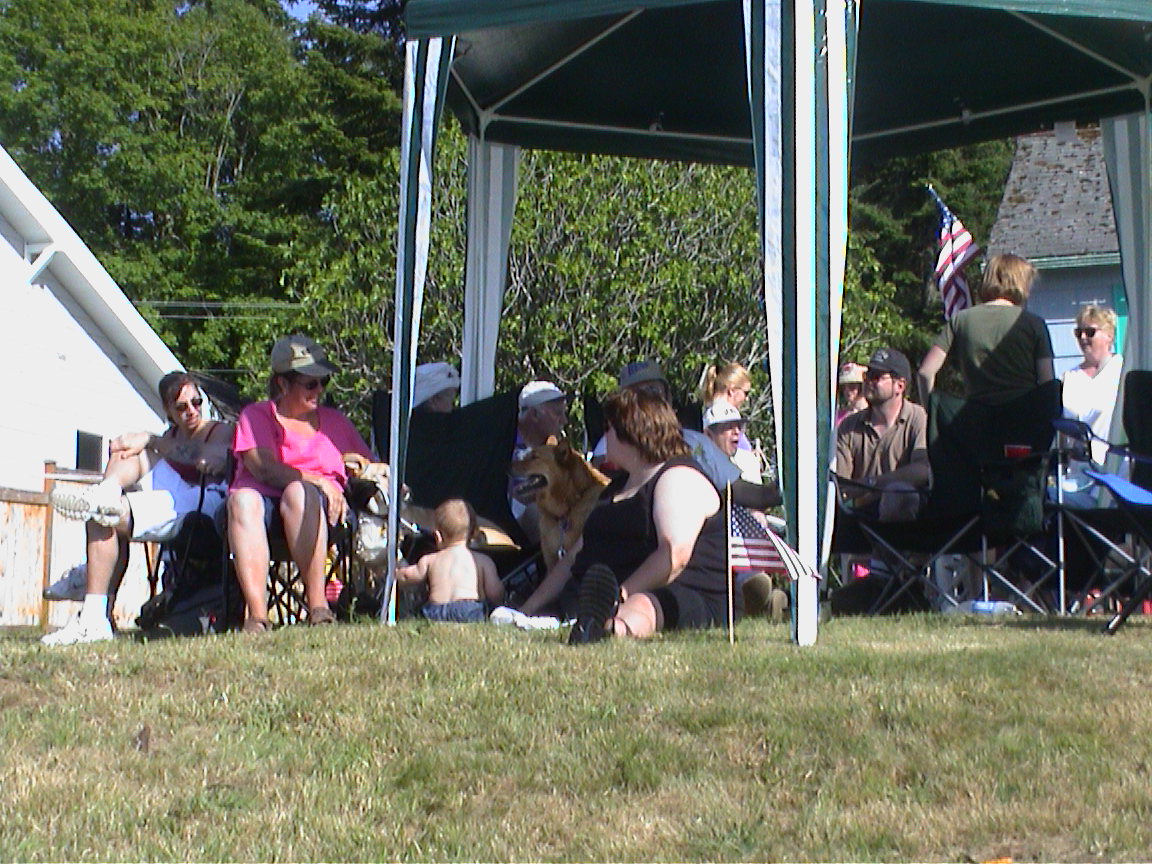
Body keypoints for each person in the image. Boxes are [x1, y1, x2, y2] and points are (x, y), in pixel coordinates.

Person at [519, 387, 733, 641]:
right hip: (594, 599)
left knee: (642, 605)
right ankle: (588, 622)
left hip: (673, 595)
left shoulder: (679, 477)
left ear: (631, 431)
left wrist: (618, 596)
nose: (605, 436)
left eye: (609, 428)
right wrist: (526, 610)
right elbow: (574, 558)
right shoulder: (617, 486)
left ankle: (609, 630)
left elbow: (674, 556)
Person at [43, 372, 233, 645]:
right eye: (182, 407)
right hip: (166, 501)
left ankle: (93, 611)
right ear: (168, 411)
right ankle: (107, 490)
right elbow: (134, 447)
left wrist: (150, 439)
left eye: (196, 402)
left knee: (105, 512)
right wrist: (143, 442)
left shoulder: (219, 431)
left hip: (198, 512)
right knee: (123, 464)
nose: (192, 411)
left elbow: (204, 457)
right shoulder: (169, 437)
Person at [227, 335, 374, 632]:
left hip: (321, 514)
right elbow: (264, 468)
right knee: (244, 499)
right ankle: (257, 617)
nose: (319, 390)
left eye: (323, 382)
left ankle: (319, 609)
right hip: (260, 513)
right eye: (310, 384)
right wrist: (317, 480)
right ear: (283, 384)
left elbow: (369, 468)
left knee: (299, 493)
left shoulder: (336, 423)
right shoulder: (257, 416)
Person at [917, 253, 1055, 404]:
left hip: (976, 413)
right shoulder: (1034, 324)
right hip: (1023, 413)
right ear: (1020, 283)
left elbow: (925, 372)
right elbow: (1047, 384)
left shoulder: (961, 320)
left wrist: (930, 410)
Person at [836, 348, 930, 522]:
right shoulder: (849, 426)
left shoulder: (918, 418)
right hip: (860, 518)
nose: (868, 382)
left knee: (899, 493)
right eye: (867, 376)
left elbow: (922, 470)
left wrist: (872, 483)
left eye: (876, 377)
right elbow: (841, 485)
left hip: (907, 521)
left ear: (899, 386)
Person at [395, 498, 504, 622]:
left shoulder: (431, 560)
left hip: (436, 611)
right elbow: (494, 592)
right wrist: (501, 600)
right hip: (469, 610)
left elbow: (407, 576)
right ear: (474, 534)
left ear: (438, 536)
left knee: (418, 612)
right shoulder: (482, 560)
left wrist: (395, 572)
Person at [1060, 304, 1124, 505]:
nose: (1083, 338)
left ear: (1109, 336)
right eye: (1078, 332)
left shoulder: (1121, 370)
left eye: (1090, 332)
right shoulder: (1070, 377)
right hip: (1078, 473)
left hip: (1115, 470)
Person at [509, 380, 569, 544]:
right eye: (557, 413)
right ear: (534, 414)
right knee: (536, 513)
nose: (564, 420)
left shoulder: (552, 448)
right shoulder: (506, 447)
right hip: (509, 526)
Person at [703, 399, 761, 484]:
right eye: (728, 426)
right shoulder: (697, 467)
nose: (737, 432)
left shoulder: (749, 463)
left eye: (739, 426)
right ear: (708, 435)